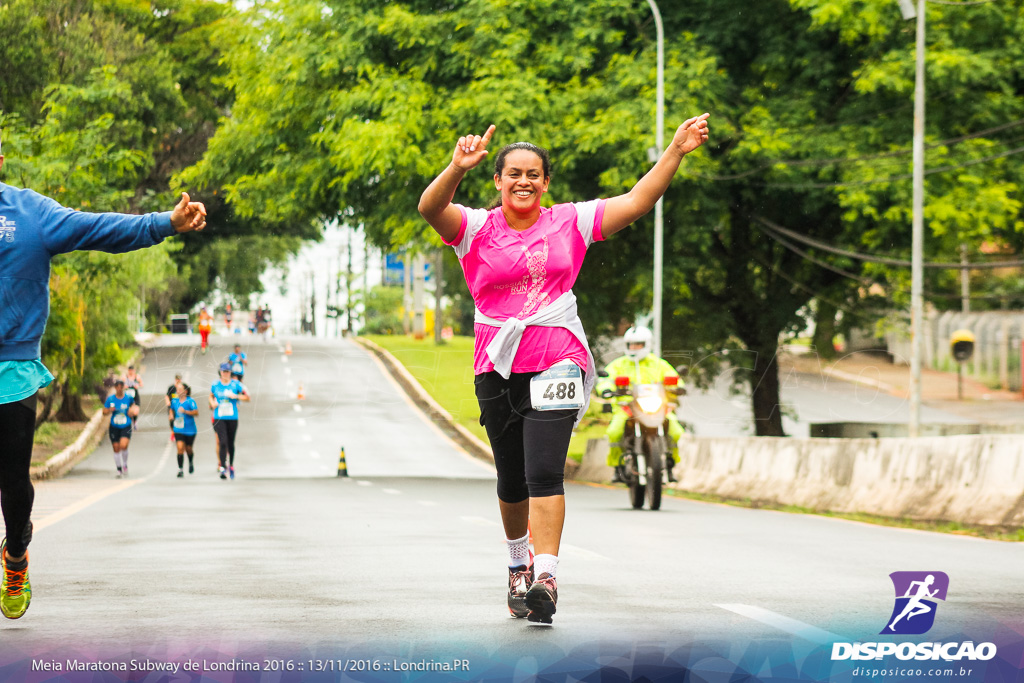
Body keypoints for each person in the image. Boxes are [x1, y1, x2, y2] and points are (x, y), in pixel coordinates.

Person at [417, 114, 709, 624]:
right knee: (511, 476)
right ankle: (517, 567)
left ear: (546, 182)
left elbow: (638, 201)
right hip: (496, 363)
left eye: (534, 174)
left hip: (558, 359)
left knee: (544, 471)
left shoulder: (569, 220)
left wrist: (675, 152)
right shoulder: (474, 229)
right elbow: (429, 208)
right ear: (499, 181)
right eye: (514, 174)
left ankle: (547, 576)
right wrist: (456, 167)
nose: (524, 181)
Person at [0, 134, 206, 619]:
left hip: (10, 368)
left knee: (12, 479)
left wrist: (165, 223)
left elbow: (100, 229)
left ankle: (15, 553)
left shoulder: (30, 215)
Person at [597, 325, 684, 483]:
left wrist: (679, 387)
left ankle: (671, 465)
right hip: (626, 407)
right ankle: (617, 466)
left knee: (676, 431)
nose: (634, 348)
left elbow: (674, 378)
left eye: (638, 344)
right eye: (631, 345)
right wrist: (605, 389)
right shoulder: (619, 364)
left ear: (647, 344)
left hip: (657, 406)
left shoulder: (659, 364)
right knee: (614, 432)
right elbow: (605, 379)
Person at [209, 362, 250, 480]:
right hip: (219, 417)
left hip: (232, 417)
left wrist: (236, 396)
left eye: (227, 372)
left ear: (230, 373)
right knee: (222, 442)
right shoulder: (215, 384)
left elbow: (247, 397)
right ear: (220, 372)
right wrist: (212, 403)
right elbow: (211, 396)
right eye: (223, 372)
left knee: (230, 443)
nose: (225, 374)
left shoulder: (236, 384)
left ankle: (231, 465)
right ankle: (222, 466)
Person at [103, 379, 139, 478]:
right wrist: (110, 410)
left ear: (123, 387)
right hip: (114, 426)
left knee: (123, 445)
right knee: (116, 447)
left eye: (121, 387)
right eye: (117, 387)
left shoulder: (128, 398)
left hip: (125, 425)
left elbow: (134, 407)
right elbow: (104, 412)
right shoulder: (110, 399)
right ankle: (119, 468)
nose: (119, 389)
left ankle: (125, 464)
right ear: (115, 388)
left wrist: (132, 411)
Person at [169, 379, 199, 478]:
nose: (178, 391)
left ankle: (190, 462)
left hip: (190, 429)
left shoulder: (190, 401)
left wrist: (186, 411)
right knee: (180, 448)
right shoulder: (174, 401)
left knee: (188, 448)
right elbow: (171, 409)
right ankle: (180, 469)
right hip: (178, 429)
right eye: (177, 389)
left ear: (185, 391)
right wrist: (171, 416)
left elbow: (196, 412)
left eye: (180, 389)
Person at [165, 373, 188, 443]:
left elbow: (186, 396)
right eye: (177, 379)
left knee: (179, 419)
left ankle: (179, 433)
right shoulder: (171, 388)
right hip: (172, 406)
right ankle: (172, 432)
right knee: (171, 419)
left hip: (179, 406)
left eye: (179, 379)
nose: (178, 381)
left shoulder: (183, 388)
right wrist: (168, 402)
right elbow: (167, 396)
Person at [123, 365, 144, 429]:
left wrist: (137, 385)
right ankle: (129, 422)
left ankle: (135, 422)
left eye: (132, 370)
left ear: (134, 371)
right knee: (128, 410)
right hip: (128, 396)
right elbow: (120, 385)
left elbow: (142, 384)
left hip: (135, 395)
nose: (131, 372)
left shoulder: (137, 377)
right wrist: (125, 386)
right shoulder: (125, 377)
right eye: (130, 370)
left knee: (136, 411)